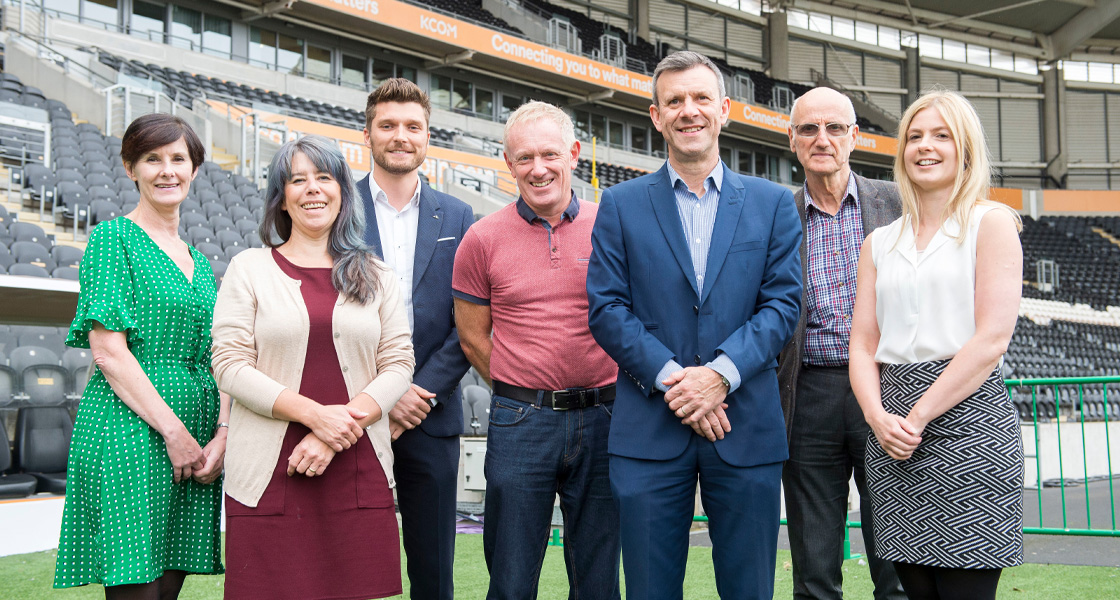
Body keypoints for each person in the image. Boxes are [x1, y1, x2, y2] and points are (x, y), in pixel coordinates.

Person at [586, 51, 802, 599]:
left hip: (745, 426)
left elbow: (782, 305)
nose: (689, 110)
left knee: (749, 589)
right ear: (655, 116)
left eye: (701, 98)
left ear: (724, 109)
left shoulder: (774, 204)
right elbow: (607, 309)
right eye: (675, 100)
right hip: (650, 430)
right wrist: (676, 382)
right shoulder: (619, 204)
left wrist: (719, 377)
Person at [212, 135, 415, 600]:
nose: (312, 189)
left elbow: (399, 363)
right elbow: (228, 363)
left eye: (324, 177)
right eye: (297, 180)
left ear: (343, 190)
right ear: (280, 197)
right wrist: (313, 415)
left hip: (357, 466)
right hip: (271, 471)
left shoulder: (376, 274)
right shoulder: (249, 268)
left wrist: (332, 429)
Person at [849, 90, 1024, 600]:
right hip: (891, 437)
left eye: (942, 135)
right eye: (915, 136)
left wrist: (918, 416)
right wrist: (879, 418)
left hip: (968, 427)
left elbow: (991, 338)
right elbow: (862, 344)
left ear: (965, 148)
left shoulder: (991, 222)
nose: (925, 147)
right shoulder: (879, 242)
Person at [452, 101, 621, 600]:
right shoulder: (481, 239)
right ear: (508, 163)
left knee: (598, 579)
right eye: (524, 158)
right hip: (520, 421)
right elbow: (471, 336)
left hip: (605, 416)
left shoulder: (610, 224)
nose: (538, 168)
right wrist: (522, 384)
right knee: (510, 576)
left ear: (572, 154)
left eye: (549, 154)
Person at [54, 113, 226, 599]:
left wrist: (218, 436)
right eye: (153, 159)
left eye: (179, 158)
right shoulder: (114, 238)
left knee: (167, 589)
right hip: (133, 428)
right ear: (131, 168)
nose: (167, 170)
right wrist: (174, 433)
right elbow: (108, 352)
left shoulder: (198, 259)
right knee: (137, 590)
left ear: (194, 169)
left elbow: (220, 355)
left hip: (194, 433)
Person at [777, 87, 905, 600]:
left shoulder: (898, 203)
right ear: (792, 139)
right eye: (808, 128)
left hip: (888, 390)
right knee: (814, 567)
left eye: (834, 128)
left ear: (855, 137)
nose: (821, 139)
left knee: (898, 562)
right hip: (808, 394)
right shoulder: (775, 217)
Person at [358, 78, 474, 600]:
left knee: (432, 569)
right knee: (351, 559)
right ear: (368, 134)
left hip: (428, 412)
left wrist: (417, 392)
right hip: (353, 409)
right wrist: (381, 395)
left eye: (413, 126)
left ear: (428, 137)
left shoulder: (458, 215)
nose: (400, 136)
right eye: (388, 126)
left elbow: (467, 321)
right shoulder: (338, 206)